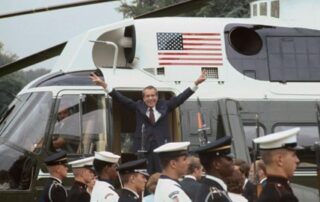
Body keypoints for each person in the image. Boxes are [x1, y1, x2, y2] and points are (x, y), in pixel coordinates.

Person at [90, 70, 207, 173]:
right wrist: (104, 85)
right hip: (143, 150)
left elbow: (181, 98)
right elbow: (120, 98)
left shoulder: (165, 106)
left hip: (162, 149)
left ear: (157, 96)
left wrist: (196, 84)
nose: (150, 98)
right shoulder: (138, 106)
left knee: (162, 175)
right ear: (143, 98)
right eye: (147, 96)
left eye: (153, 96)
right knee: (145, 177)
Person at [253, 127, 301, 202]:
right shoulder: (283, 197)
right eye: (294, 155)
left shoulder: (270, 191)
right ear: (280, 160)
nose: (297, 160)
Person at [193, 136, 234, 202]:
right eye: (229, 159)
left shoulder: (208, 189)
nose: (232, 162)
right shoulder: (217, 197)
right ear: (216, 164)